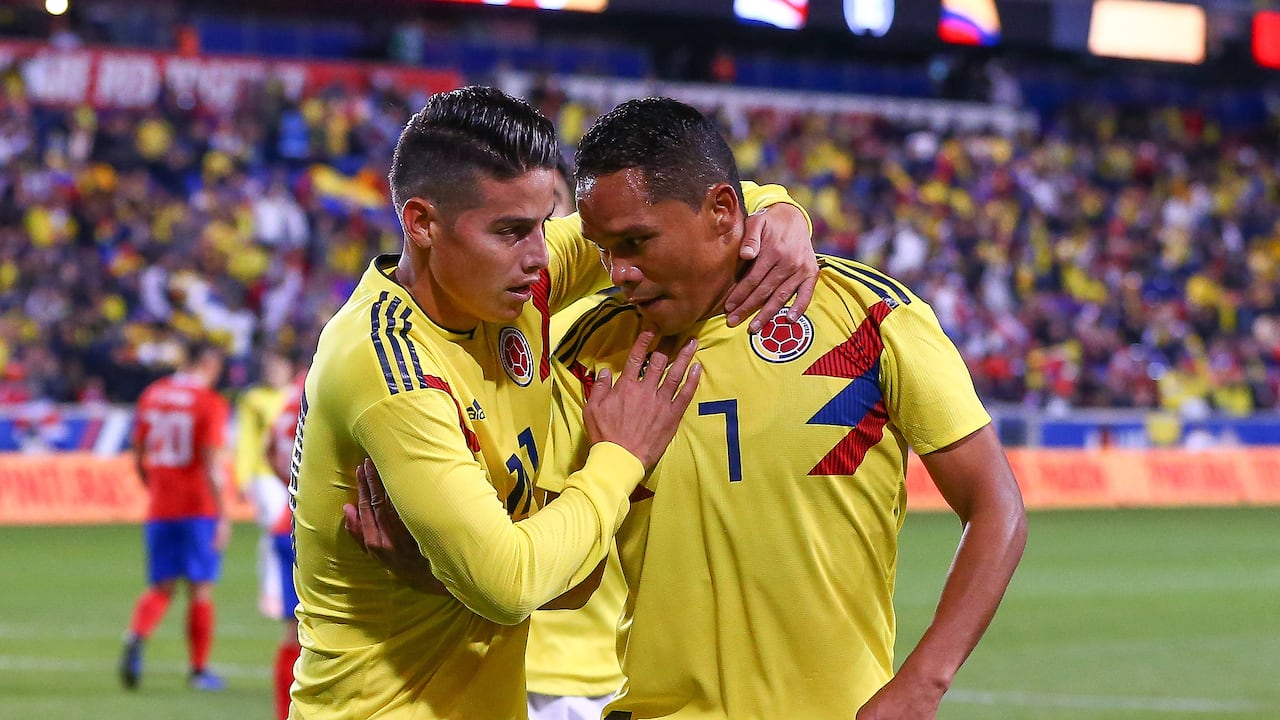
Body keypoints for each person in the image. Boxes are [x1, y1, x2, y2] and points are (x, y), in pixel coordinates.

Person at [288, 85, 816, 720]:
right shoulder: (392, 368)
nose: (538, 256)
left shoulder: (507, 292)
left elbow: (684, 201)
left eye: (543, 224)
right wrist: (619, 457)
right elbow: (510, 584)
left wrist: (782, 212)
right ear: (421, 223)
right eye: (510, 231)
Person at [538, 97, 1028, 719]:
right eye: (604, 250)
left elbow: (996, 505)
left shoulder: (868, 316)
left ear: (721, 212)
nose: (620, 272)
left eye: (637, 241)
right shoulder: (590, 354)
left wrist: (923, 681)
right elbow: (570, 583)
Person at [523, 160, 627, 720]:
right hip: (494, 657)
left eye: (547, 216)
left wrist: (781, 208)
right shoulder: (472, 341)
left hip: (600, 666)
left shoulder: (614, 330)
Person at [119, 338, 231, 692]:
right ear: (208, 365)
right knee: (200, 589)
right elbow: (211, 463)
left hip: (161, 505)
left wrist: (151, 486)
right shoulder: (209, 403)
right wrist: (224, 513)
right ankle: (199, 670)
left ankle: (136, 636)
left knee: (161, 586)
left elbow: (137, 452)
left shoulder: (153, 393)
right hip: (198, 506)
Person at [233, 348, 294, 619]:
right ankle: (272, 591)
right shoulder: (253, 398)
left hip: (295, 474)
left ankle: (289, 587)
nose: (273, 373)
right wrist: (242, 475)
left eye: (278, 367)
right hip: (265, 472)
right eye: (269, 368)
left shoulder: (297, 393)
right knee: (276, 528)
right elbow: (245, 439)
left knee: (289, 531)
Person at [266, 364, 308, 720]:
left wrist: (291, 489)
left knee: (293, 634)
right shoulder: (325, 391)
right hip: (313, 530)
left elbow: (270, 450)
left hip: (286, 523)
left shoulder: (288, 401)